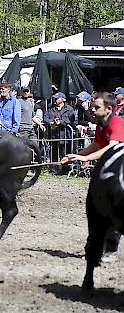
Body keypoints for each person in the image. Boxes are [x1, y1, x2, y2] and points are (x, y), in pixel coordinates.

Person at [61, 92, 124, 262]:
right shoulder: (101, 125)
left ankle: (110, 251)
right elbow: (96, 145)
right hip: (110, 174)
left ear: (109, 109)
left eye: (96, 107)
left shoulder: (117, 123)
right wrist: (74, 155)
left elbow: (112, 147)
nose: (92, 110)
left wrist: (86, 158)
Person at [44, 92, 75, 165]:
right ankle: (54, 169)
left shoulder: (69, 109)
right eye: (54, 98)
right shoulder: (50, 108)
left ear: (63, 99)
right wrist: (51, 123)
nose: (55, 99)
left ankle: (65, 169)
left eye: (57, 98)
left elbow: (71, 120)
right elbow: (45, 118)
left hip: (64, 135)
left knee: (64, 152)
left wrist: (60, 122)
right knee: (53, 152)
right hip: (53, 135)